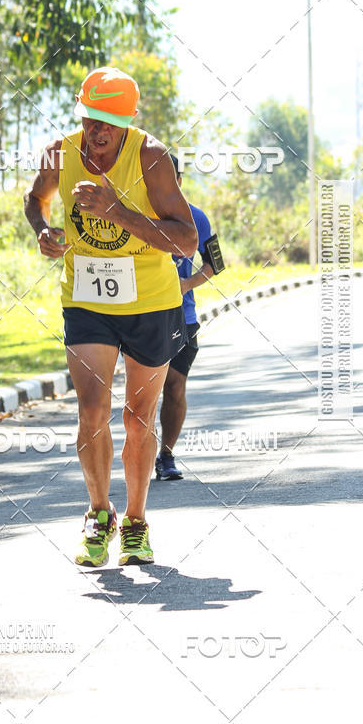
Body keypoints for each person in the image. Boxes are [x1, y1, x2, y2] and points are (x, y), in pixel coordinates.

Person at [24, 66, 197, 566]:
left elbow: (185, 239)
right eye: (88, 119)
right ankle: (99, 516)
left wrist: (116, 211)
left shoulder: (152, 159)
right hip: (87, 302)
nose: (96, 132)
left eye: (107, 123)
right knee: (93, 412)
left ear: (126, 123)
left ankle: (137, 523)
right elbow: (36, 199)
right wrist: (44, 230)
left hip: (150, 303)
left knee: (138, 421)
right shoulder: (62, 152)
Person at [156, 155, 214, 480]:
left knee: (175, 387)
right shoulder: (134, 215)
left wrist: (188, 283)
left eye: (169, 177)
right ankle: (140, 451)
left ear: (178, 179)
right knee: (144, 391)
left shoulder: (196, 218)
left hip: (183, 316)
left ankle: (166, 455)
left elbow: (215, 262)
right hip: (140, 317)